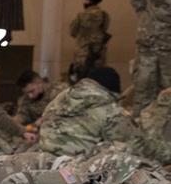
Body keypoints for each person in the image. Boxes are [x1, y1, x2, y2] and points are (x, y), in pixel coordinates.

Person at [38, 66, 171, 163]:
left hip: (46, 166)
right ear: (111, 91)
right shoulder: (108, 109)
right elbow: (140, 147)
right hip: (78, 176)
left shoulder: (58, 100)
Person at [131, 0, 171, 110]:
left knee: (168, 91)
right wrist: (142, 12)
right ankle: (140, 128)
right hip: (149, 40)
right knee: (143, 86)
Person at [69, 0, 110, 75]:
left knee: (82, 77)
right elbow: (105, 28)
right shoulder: (104, 15)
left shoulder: (81, 15)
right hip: (98, 52)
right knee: (98, 77)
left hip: (83, 52)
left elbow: (72, 32)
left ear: (87, 1)